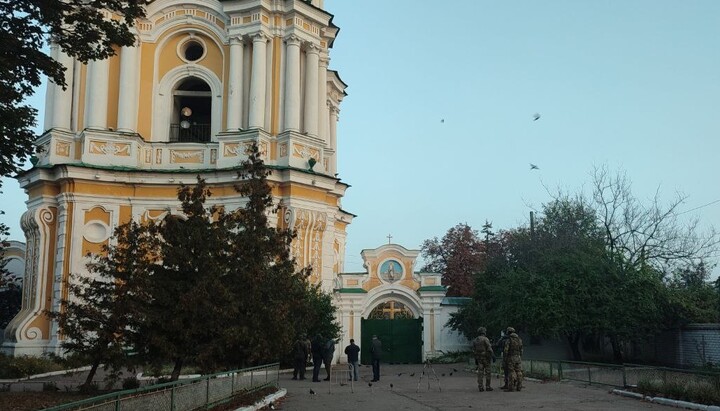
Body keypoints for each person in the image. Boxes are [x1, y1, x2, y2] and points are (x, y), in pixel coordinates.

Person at [471, 327, 494, 392]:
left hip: (479, 359)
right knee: (488, 373)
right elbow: (489, 348)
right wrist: (493, 356)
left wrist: (476, 358)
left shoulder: (475, 340)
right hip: (486, 358)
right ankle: (488, 386)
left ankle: (480, 386)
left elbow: (473, 350)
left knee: (480, 373)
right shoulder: (485, 339)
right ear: (484, 332)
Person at [504, 327, 524, 392]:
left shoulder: (509, 340)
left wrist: (505, 358)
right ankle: (519, 387)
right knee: (519, 372)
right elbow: (521, 350)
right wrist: (519, 356)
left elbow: (506, 350)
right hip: (518, 357)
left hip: (511, 357)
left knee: (511, 372)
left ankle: (511, 388)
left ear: (508, 332)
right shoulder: (519, 339)